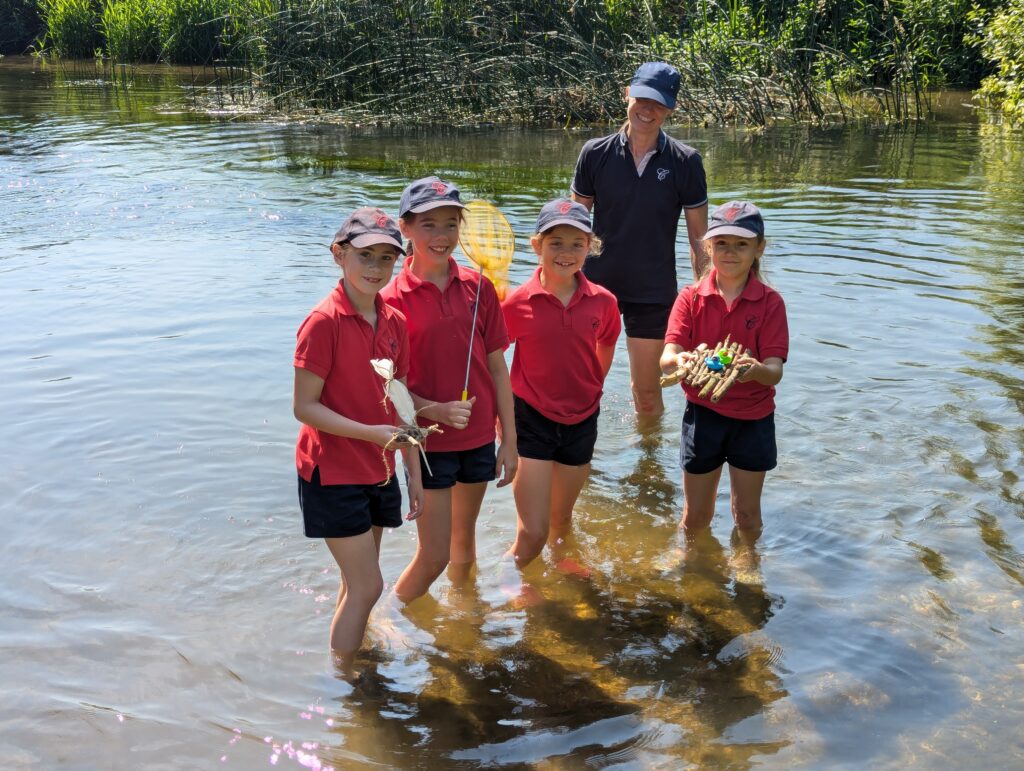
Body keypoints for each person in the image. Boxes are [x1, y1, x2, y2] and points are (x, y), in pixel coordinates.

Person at [292, 207, 425, 675]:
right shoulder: (322, 322)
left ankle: (350, 654)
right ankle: (347, 682)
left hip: (380, 466)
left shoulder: (394, 321)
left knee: (357, 583)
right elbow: (304, 407)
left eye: (387, 258)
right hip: (332, 471)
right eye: (365, 255)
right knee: (368, 586)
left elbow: (400, 396)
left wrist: (412, 469)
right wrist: (371, 434)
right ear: (339, 254)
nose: (375, 268)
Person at [381, 176, 518, 601]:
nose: (441, 237)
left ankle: (464, 613)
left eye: (450, 225)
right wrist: (432, 410)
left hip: (477, 438)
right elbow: (388, 385)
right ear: (404, 228)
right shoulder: (390, 298)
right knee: (434, 553)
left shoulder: (480, 290)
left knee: (464, 541)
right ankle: (390, 616)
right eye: (428, 225)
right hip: (426, 443)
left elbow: (498, 368)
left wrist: (508, 440)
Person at [571, 61, 709, 419]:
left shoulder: (686, 162)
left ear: (671, 109)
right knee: (581, 385)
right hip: (594, 288)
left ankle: (649, 470)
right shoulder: (594, 153)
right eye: (642, 99)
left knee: (646, 394)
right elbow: (571, 227)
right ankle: (580, 469)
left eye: (659, 103)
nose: (648, 110)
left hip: (653, 292)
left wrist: (705, 297)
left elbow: (700, 241)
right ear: (627, 94)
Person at [501, 199, 621, 573]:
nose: (566, 253)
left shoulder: (604, 302)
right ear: (537, 246)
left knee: (561, 522)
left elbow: (607, 343)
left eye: (576, 243)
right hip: (531, 418)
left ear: (590, 247)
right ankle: (513, 580)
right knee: (533, 531)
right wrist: (501, 423)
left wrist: (592, 387)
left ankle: (560, 568)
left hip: (582, 419)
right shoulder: (515, 303)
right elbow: (489, 361)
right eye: (555, 243)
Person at [659, 201, 788, 539]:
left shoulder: (770, 302)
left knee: (747, 515)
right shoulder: (690, 298)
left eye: (741, 244)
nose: (730, 252)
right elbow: (667, 355)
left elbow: (775, 371)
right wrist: (681, 361)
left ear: (759, 248)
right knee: (696, 515)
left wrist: (755, 369)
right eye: (721, 243)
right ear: (708, 247)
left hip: (754, 419)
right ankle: (693, 564)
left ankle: (747, 562)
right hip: (703, 414)